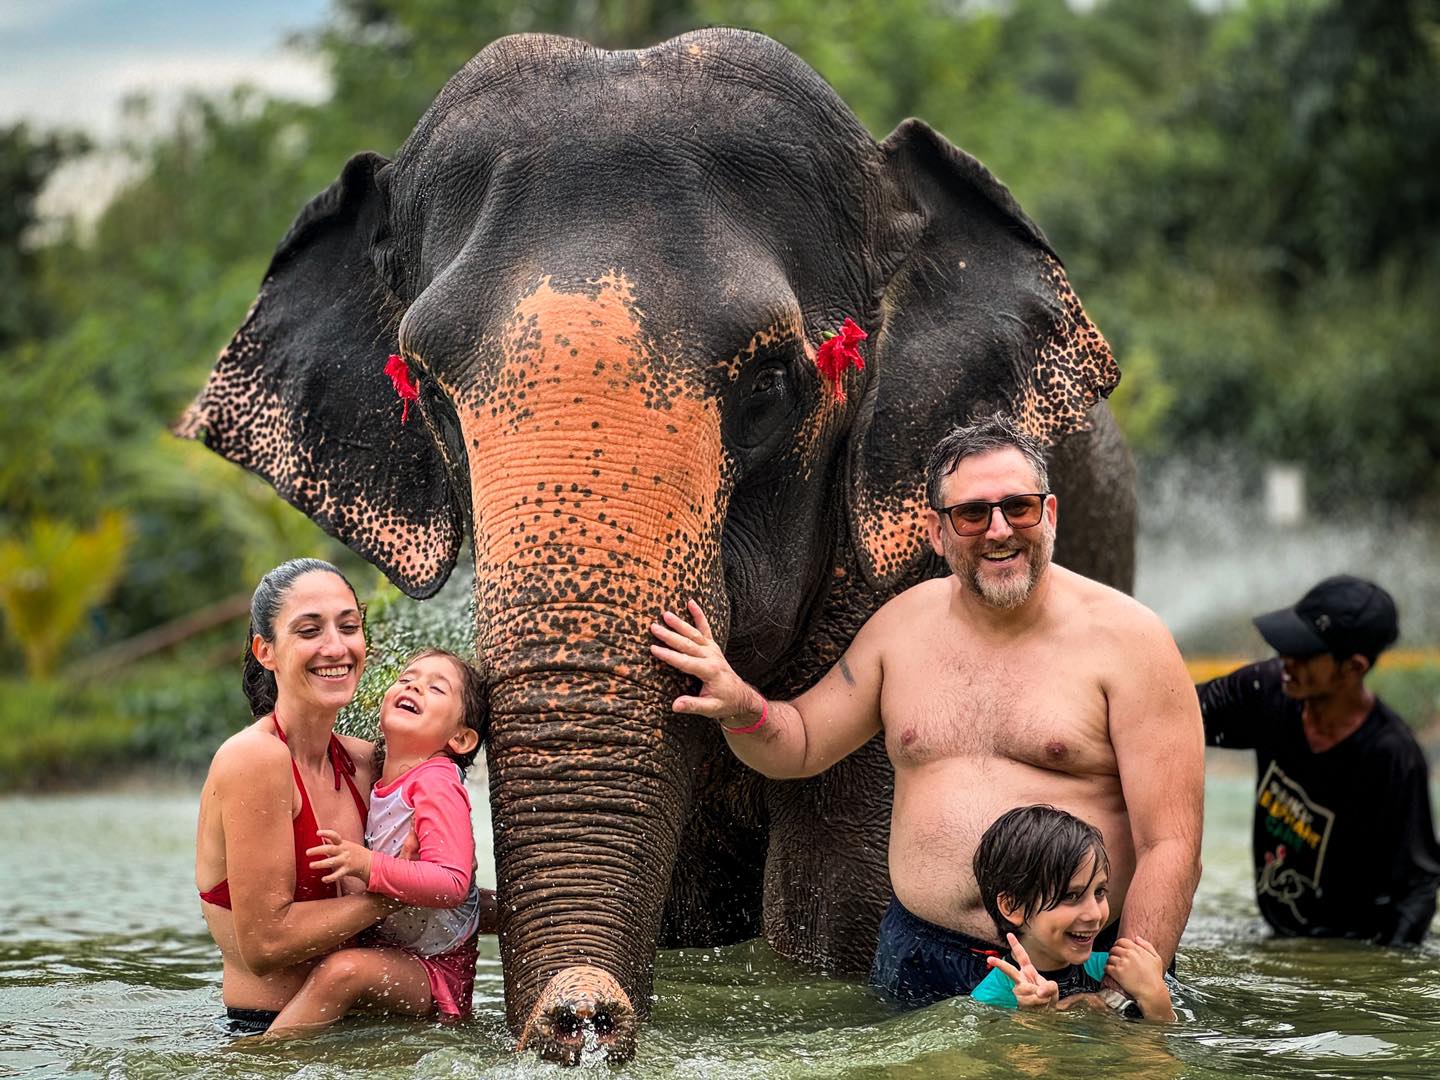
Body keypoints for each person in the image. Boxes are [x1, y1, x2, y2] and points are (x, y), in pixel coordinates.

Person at [650, 413, 1204, 1010]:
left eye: (1018, 508)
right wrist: (737, 704)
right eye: (972, 514)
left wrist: (1123, 995)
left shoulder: (1132, 642)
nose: (999, 530)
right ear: (936, 533)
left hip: (1079, 967)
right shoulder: (900, 628)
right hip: (920, 958)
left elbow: (1170, 844)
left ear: (1050, 515)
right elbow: (803, 742)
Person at [196, 558, 395, 1035]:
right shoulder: (254, 760)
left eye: (349, 627)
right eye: (309, 631)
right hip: (271, 1043)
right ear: (266, 651)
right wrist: (398, 894)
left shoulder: (366, 763)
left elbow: (439, 879)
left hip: (372, 1035)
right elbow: (265, 944)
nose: (336, 647)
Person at [265, 648, 496, 1034]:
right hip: (399, 952)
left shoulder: (436, 781)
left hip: (437, 969)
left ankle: (255, 1061)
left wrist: (368, 866)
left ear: (460, 738)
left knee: (342, 973)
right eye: (407, 679)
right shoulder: (381, 778)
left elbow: (452, 884)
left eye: (435, 688)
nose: (414, 686)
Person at [1198, 575, 1440, 944]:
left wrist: (1377, 975)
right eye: (1287, 645)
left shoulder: (1392, 756)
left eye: (1305, 653)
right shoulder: (1269, 692)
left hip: (1350, 947)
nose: (1287, 660)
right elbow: (1175, 715)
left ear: (1353, 668)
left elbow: (1418, 890)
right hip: (1278, 932)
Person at [970, 804, 1175, 1022]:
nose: (1094, 914)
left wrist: (1155, 995)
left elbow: (1158, 1045)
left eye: (1099, 892)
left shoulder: (1115, 969)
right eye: (1071, 896)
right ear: (1013, 907)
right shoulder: (990, 1000)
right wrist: (1035, 1021)